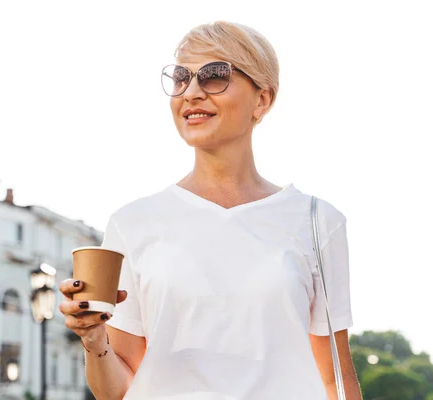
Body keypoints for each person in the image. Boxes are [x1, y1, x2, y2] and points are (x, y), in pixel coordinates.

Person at [60, 21, 362, 400]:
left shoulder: (318, 222)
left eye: (215, 76)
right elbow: (117, 390)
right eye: (181, 78)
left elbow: (335, 377)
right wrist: (93, 338)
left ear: (262, 99)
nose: (192, 92)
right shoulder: (132, 224)